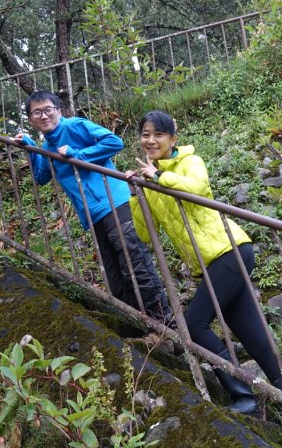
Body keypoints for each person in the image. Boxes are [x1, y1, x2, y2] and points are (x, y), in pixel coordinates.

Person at [125, 110, 282, 448]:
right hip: (209, 266)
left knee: (193, 325)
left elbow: (199, 187)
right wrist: (137, 193)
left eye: (158, 135)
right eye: (145, 134)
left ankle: (244, 396)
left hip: (229, 252)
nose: (151, 141)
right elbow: (146, 235)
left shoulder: (189, 162)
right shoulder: (151, 180)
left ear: (172, 139)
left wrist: (159, 177)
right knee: (258, 343)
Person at [13, 91, 171, 323]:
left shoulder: (75, 126)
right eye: (37, 112)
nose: (44, 115)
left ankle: (165, 321)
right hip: (92, 214)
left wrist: (78, 154)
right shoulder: (47, 146)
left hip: (115, 202)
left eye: (48, 109)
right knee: (115, 272)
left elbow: (114, 142)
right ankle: (138, 323)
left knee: (135, 263)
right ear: (30, 119)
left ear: (58, 110)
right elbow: (41, 177)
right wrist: (30, 147)